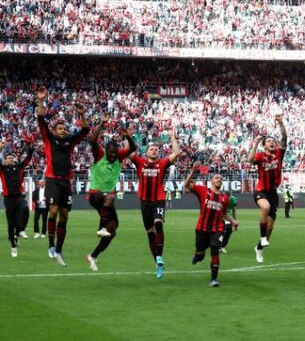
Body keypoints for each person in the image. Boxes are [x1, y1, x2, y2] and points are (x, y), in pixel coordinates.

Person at [37, 87, 89, 266]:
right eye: (60, 128)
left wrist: (82, 114)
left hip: (66, 182)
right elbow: (40, 119)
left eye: (65, 128)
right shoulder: (48, 139)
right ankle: (51, 246)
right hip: (52, 180)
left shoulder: (69, 141)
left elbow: (85, 131)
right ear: (55, 130)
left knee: (64, 215)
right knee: (52, 210)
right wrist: (41, 100)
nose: (63, 130)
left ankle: (59, 249)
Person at [85, 114, 137, 272]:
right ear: (106, 150)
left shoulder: (119, 157)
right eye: (111, 152)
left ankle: (93, 256)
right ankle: (101, 227)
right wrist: (102, 123)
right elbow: (92, 140)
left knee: (113, 230)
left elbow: (133, 149)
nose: (114, 155)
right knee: (109, 198)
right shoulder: (99, 154)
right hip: (95, 194)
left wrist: (128, 137)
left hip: (107, 200)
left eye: (116, 152)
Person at [131, 127, 180, 278]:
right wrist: (130, 136)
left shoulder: (162, 164)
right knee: (150, 234)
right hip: (145, 202)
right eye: (151, 149)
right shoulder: (140, 163)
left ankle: (159, 256)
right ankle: (158, 261)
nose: (154, 150)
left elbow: (176, 153)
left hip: (158, 199)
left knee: (158, 223)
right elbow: (130, 153)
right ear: (146, 153)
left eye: (156, 149)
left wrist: (172, 137)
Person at [184, 163, 238, 287]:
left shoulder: (225, 199)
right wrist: (192, 172)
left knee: (215, 250)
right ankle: (197, 256)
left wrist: (233, 221)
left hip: (217, 229)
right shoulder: (203, 190)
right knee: (201, 254)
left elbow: (223, 214)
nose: (219, 180)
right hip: (202, 229)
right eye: (217, 178)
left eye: (221, 179)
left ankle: (214, 279)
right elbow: (186, 186)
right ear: (211, 181)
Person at [248, 114, 287, 263]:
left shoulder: (278, 154)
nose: (272, 142)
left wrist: (281, 123)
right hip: (261, 190)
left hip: (273, 193)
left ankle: (259, 248)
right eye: (269, 141)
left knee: (270, 226)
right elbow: (250, 160)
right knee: (265, 207)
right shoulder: (260, 156)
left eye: (273, 141)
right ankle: (263, 237)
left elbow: (284, 138)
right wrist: (256, 143)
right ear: (265, 145)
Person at [0, 137, 34, 257]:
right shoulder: (3, 170)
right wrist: (0, 147)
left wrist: (30, 147)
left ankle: (20, 230)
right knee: (11, 222)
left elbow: (28, 159)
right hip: (9, 198)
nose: (11, 159)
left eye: (12, 157)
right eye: (9, 158)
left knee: (25, 209)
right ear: (5, 160)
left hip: (19, 196)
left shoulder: (19, 167)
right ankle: (13, 246)